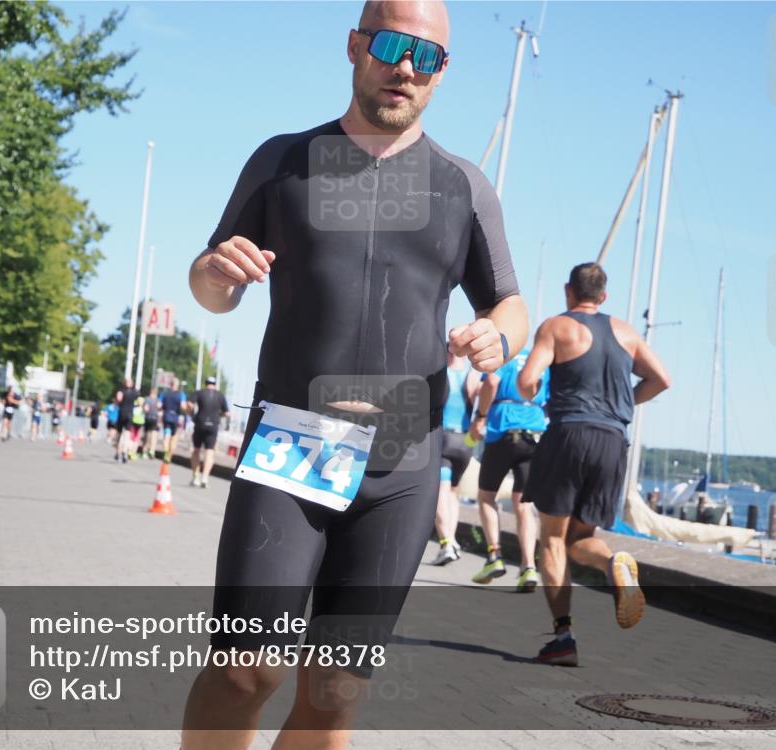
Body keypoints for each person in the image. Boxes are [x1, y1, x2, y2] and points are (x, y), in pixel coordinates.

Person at [181, 2, 528, 747]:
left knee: (335, 692)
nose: (406, 66)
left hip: (403, 461)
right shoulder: (285, 160)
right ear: (355, 46)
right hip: (297, 440)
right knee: (247, 670)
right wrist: (212, 272)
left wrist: (498, 335)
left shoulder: (462, 185)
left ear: (441, 73)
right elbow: (214, 285)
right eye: (392, 46)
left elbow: (509, 302)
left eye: (427, 56)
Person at [517, 262, 671, 666]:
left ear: (569, 291)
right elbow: (662, 379)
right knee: (580, 538)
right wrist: (622, 405)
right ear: (603, 296)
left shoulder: (556, 327)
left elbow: (526, 380)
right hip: (612, 439)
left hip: (568, 432)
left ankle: (563, 637)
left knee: (552, 538)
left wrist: (536, 396)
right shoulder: (625, 332)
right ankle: (612, 562)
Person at [467, 347, 548, 591]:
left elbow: (491, 382)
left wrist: (480, 416)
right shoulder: (540, 360)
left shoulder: (506, 358)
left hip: (503, 430)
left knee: (486, 495)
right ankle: (528, 567)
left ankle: (494, 556)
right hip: (534, 432)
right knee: (524, 504)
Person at [429, 349, 479, 565]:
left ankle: (446, 542)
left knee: (441, 489)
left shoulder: (442, 375)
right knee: (453, 492)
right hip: (466, 440)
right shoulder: (473, 375)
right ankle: (453, 539)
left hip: (444, 437)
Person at [187, 376, 230, 487]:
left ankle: (195, 477)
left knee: (196, 450)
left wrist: (191, 414)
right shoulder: (220, 395)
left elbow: (190, 405)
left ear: (205, 383)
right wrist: (218, 416)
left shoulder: (199, 392)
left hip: (200, 423)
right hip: (213, 426)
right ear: (215, 384)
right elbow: (227, 413)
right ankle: (205, 478)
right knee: (209, 452)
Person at [160, 375, 187, 461]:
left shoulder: (164, 393)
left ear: (170, 384)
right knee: (174, 437)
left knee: (166, 436)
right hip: (175, 417)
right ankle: (169, 455)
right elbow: (183, 406)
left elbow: (159, 405)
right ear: (178, 385)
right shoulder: (181, 394)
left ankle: (165, 452)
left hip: (166, 416)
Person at [114, 377, 139, 463]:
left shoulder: (121, 391)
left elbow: (118, 400)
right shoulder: (135, 392)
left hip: (122, 414)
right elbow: (138, 402)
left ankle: (119, 452)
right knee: (126, 435)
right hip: (129, 414)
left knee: (120, 435)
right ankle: (124, 452)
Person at [142, 388, 161, 459]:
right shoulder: (158, 400)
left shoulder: (147, 399)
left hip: (148, 418)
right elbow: (160, 409)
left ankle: (144, 452)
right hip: (155, 418)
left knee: (146, 435)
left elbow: (146, 409)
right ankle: (152, 450)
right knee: (154, 435)